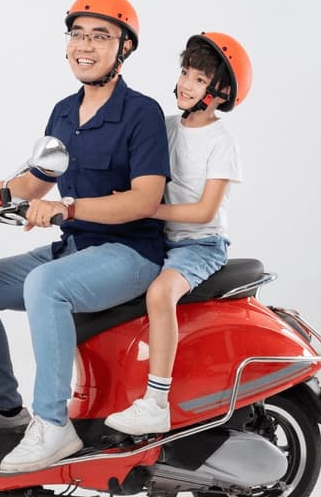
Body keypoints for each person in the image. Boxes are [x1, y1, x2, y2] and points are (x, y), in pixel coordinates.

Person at [0, 0, 170, 472]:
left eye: (101, 35)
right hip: (74, 249)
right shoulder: (63, 113)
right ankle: (8, 410)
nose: (85, 45)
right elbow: (36, 179)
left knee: (43, 285)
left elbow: (146, 199)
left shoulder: (142, 113)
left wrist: (65, 209)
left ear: (124, 48)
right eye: (78, 34)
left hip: (129, 254)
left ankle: (54, 427)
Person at [104, 32, 252, 435]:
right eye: (186, 72)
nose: (187, 83)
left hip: (200, 243)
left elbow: (205, 211)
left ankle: (156, 401)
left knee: (159, 293)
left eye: (200, 79)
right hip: (159, 238)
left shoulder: (222, 142)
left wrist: (148, 208)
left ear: (220, 92)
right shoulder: (165, 127)